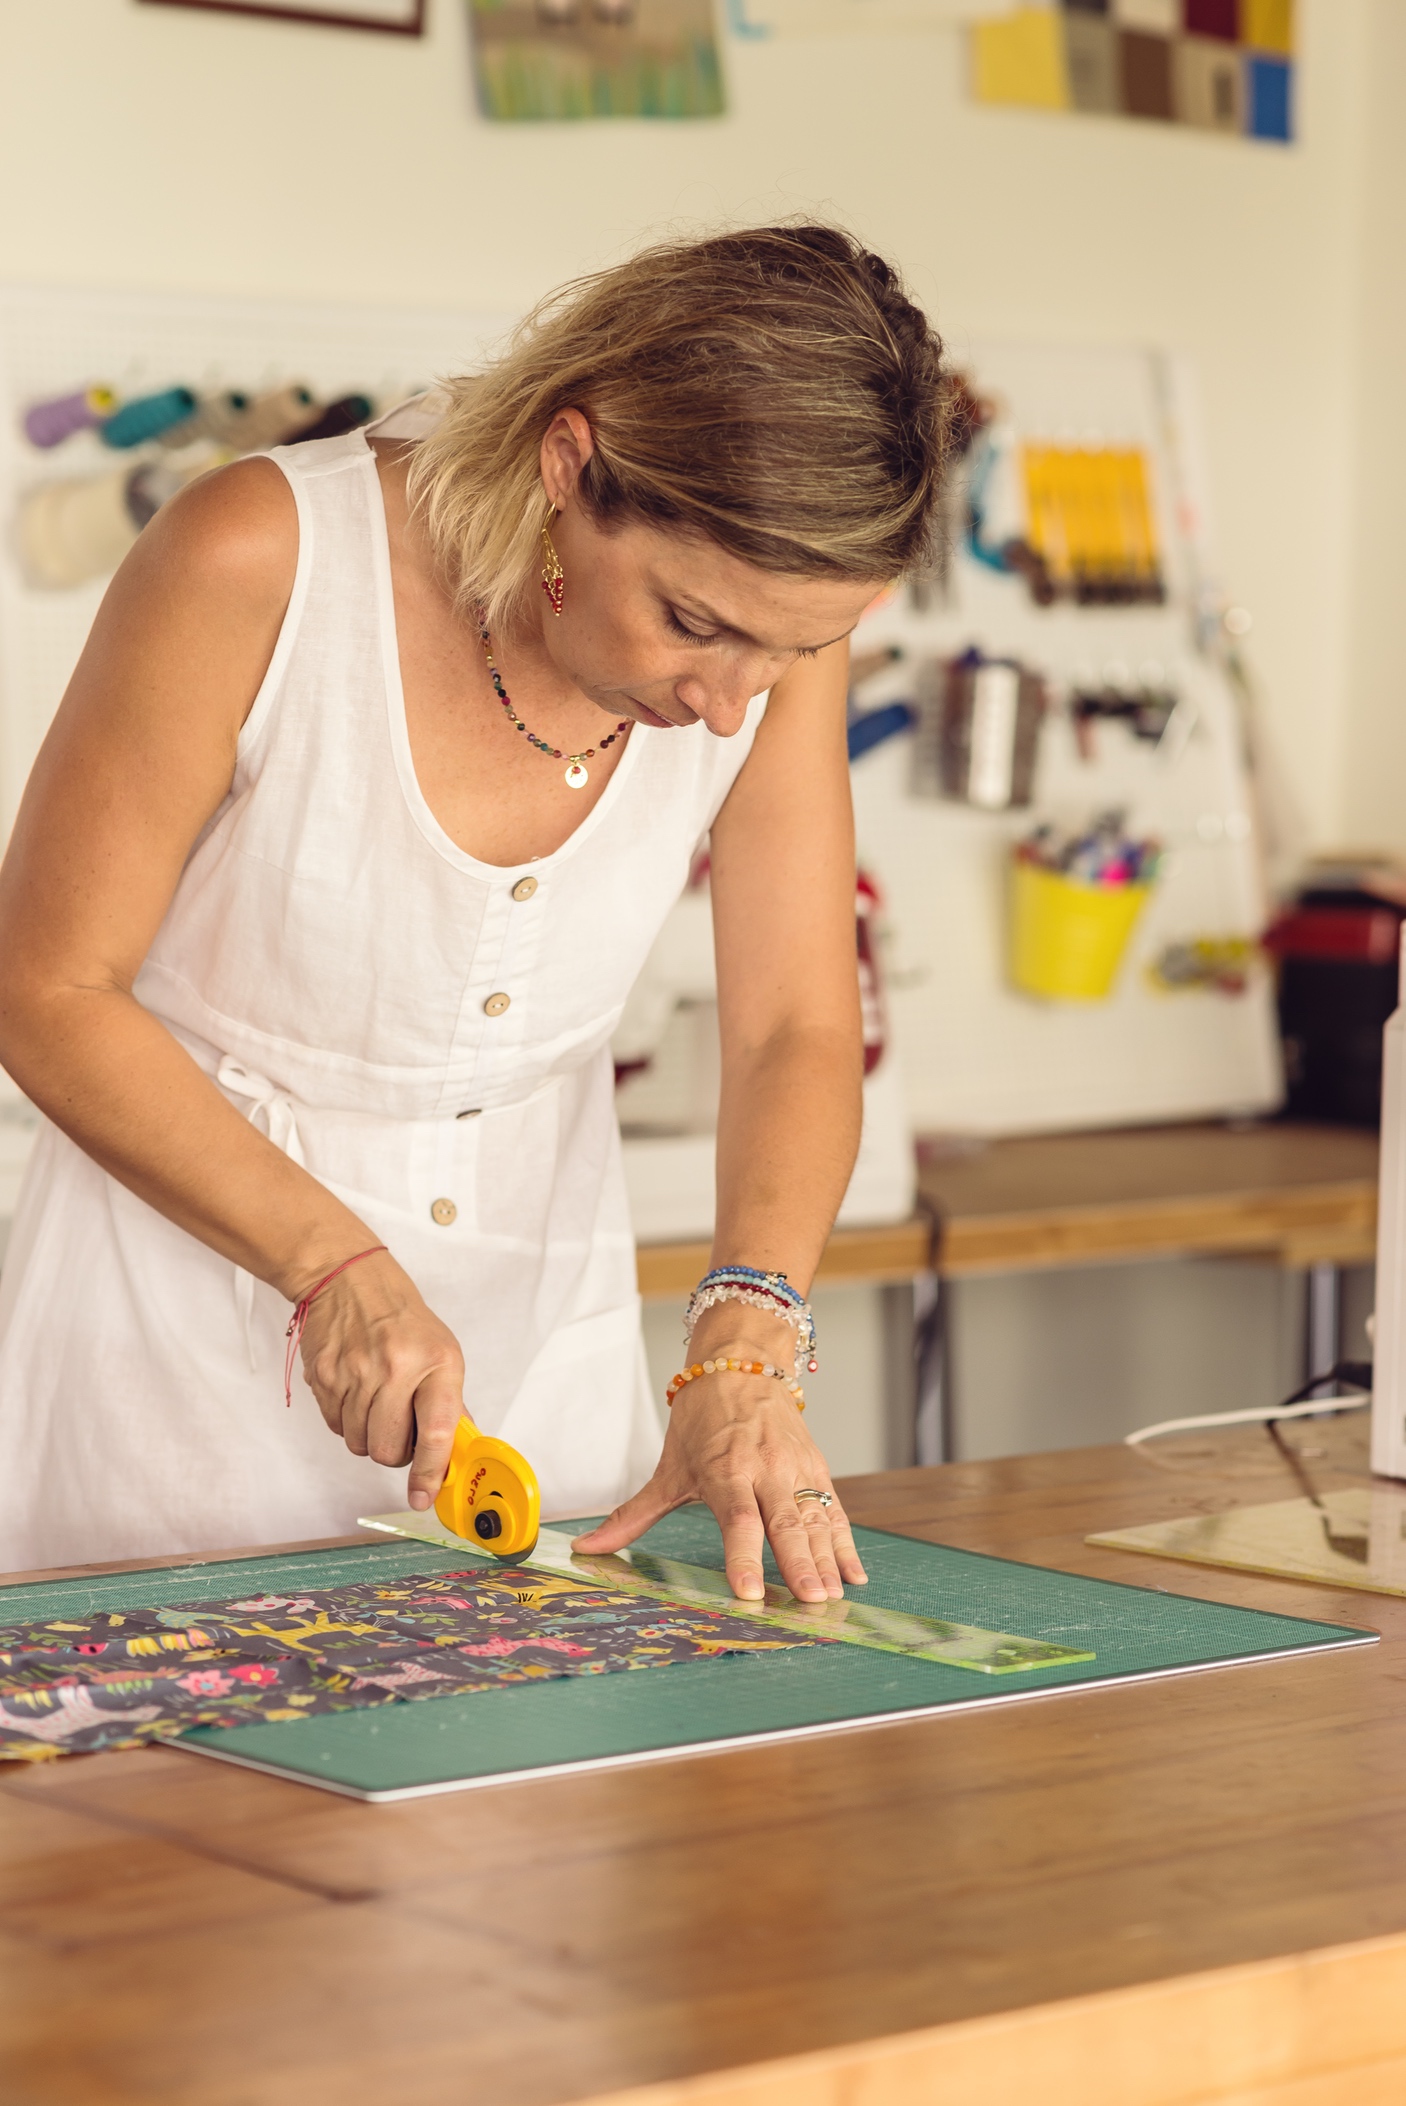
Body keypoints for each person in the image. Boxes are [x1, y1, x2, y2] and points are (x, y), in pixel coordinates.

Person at [0, 224, 947, 1601]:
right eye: (691, 623)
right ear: (570, 464)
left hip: (546, 1346)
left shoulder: (765, 631)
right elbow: (46, 988)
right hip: (176, 1354)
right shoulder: (260, 555)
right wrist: (328, 1264)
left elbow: (793, 1025)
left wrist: (748, 1337)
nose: (728, 704)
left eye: (790, 649)